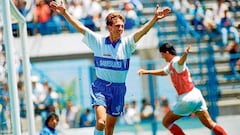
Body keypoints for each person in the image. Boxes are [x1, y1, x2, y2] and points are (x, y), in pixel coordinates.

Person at [49, 1, 171, 135]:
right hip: (101, 87)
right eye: (117, 26)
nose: (120, 28)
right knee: (101, 122)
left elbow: (142, 32)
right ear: (109, 27)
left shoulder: (127, 44)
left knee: (110, 128)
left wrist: (154, 19)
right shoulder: (98, 42)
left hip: (119, 89)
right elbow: (80, 27)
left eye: (122, 26)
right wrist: (65, 13)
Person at [137, 43, 228, 135]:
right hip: (196, 95)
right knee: (210, 124)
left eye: (162, 55)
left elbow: (181, 62)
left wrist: (185, 54)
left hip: (187, 98)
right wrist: (146, 71)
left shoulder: (176, 62)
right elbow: (163, 72)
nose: (162, 57)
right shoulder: (171, 65)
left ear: (167, 52)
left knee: (166, 122)